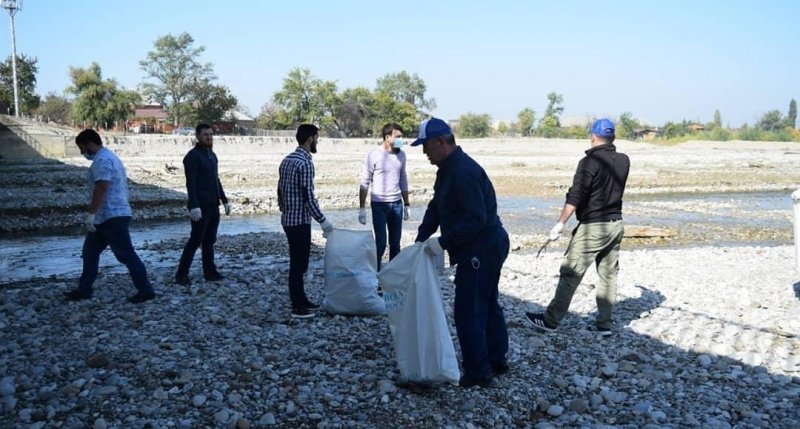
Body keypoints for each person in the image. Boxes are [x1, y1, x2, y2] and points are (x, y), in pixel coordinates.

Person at [412, 117, 510, 388]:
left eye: (426, 146)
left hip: (483, 246)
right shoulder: (447, 169)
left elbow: (476, 219)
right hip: (484, 244)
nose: (424, 153)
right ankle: (495, 358)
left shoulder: (462, 171)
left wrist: (443, 242)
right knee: (487, 302)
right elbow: (436, 205)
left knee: (469, 308)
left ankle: (479, 372)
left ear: (441, 142)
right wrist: (422, 238)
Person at [526, 118, 630, 336]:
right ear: (613, 138)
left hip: (594, 227)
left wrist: (560, 224)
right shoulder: (624, 160)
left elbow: (576, 196)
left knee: (571, 273)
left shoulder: (588, 162)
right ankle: (604, 324)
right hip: (616, 224)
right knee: (609, 275)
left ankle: (550, 321)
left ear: (592, 136)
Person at [64, 129, 155, 303]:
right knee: (90, 252)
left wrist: (91, 213)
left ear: (91, 144)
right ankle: (84, 290)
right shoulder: (109, 157)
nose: (83, 153)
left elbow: (102, 187)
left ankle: (146, 290)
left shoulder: (102, 160)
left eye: (82, 148)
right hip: (106, 215)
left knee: (126, 255)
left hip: (111, 215)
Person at [278, 124, 335, 319]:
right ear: (310, 138)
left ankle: (302, 299)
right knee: (299, 264)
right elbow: (308, 197)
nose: (317, 141)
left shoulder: (287, 160)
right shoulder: (305, 163)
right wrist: (323, 221)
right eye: (317, 137)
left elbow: (280, 190)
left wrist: (284, 208)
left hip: (287, 219)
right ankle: (297, 306)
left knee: (298, 262)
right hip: (299, 221)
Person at [174, 123, 231, 286]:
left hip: (213, 205)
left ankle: (210, 271)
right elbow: (190, 182)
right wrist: (193, 205)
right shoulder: (193, 156)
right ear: (197, 137)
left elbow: (216, 179)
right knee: (195, 240)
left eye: (211, 134)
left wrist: (224, 200)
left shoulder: (212, 155)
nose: (209, 137)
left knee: (209, 240)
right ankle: (181, 274)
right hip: (200, 206)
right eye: (205, 134)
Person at [358, 123, 410, 270]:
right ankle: (376, 276)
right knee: (380, 243)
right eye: (398, 137)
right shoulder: (374, 155)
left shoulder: (401, 155)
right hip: (379, 204)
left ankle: (392, 277)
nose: (401, 140)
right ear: (387, 138)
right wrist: (362, 208)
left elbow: (403, 178)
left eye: (402, 137)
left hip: (397, 204)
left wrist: (406, 204)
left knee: (395, 244)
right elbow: (364, 181)